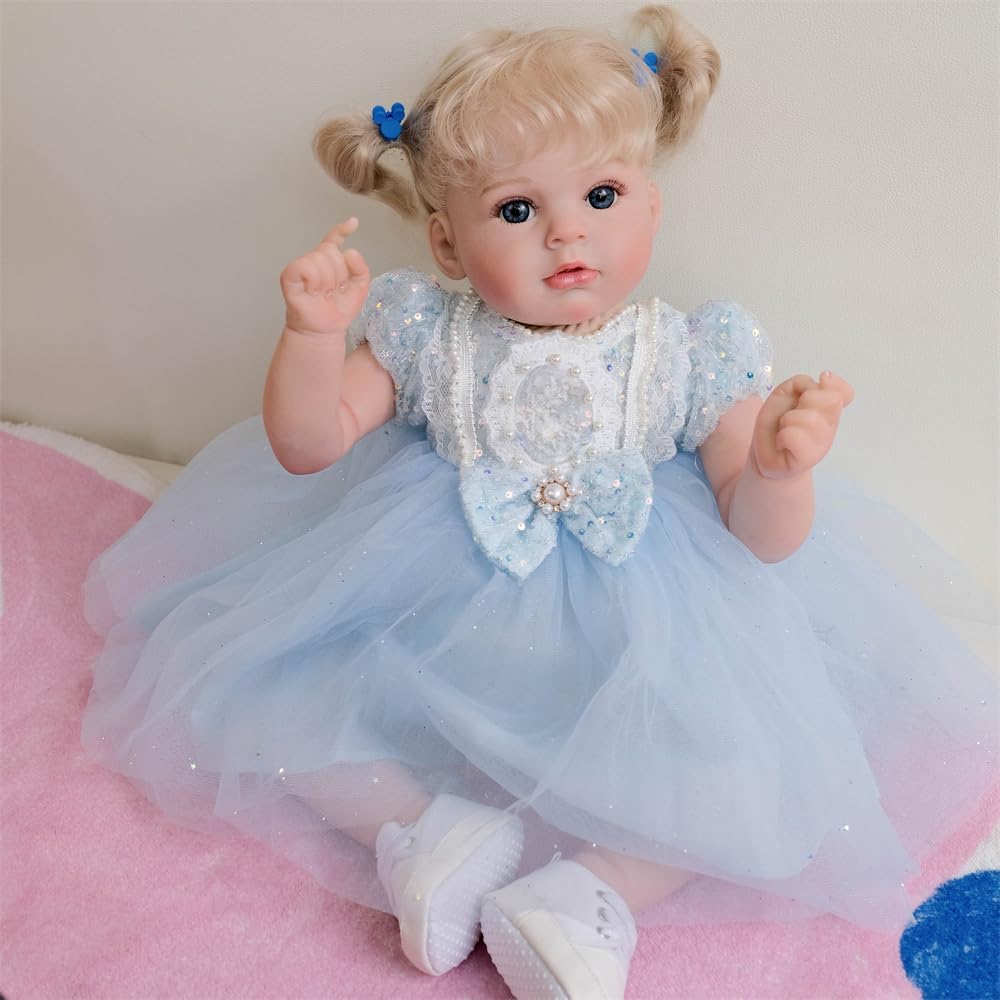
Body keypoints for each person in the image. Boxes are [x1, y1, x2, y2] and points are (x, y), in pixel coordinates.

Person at [82, 6, 996, 998]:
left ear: (650, 205)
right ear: (445, 242)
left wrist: (778, 471)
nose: (567, 230)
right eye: (516, 209)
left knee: (757, 761)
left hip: (637, 634)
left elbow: (759, 538)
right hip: (435, 610)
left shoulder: (691, 350)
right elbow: (308, 446)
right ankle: (424, 832)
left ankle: (586, 892)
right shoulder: (423, 331)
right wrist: (310, 336)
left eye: (601, 195)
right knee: (256, 691)